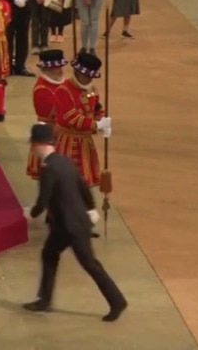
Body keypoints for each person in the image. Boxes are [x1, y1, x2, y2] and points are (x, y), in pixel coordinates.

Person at [23, 122, 127, 322]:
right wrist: (91, 209)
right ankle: (44, 299)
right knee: (49, 254)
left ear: (38, 145)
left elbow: (42, 202)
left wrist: (30, 214)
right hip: (66, 225)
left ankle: (117, 300)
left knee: (90, 264)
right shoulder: (65, 162)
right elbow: (84, 187)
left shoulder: (48, 169)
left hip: (71, 227)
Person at [54, 52, 111, 188]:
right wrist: (96, 124)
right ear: (78, 72)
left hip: (85, 142)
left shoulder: (92, 90)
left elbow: (96, 107)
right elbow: (71, 117)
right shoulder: (63, 90)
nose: (89, 79)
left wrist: (102, 119)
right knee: (67, 180)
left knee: (83, 182)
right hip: (68, 141)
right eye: (87, 76)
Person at [26, 50, 67, 180]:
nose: (60, 70)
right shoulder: (42, 89)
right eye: (57, 68)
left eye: (61, 67)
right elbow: (56, 112)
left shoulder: (62, 84)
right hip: (50, 133)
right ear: (47, 69)